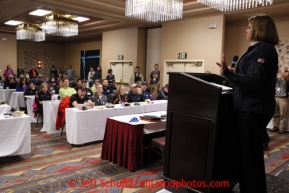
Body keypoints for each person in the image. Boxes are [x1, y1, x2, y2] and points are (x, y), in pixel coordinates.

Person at [216, 14, 279, 193]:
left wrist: (228, 73)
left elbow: (253, 82)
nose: (246, 30)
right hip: (251, 108)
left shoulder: (263, 50)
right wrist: (236, 74)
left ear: (259, 29)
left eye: (249, 27)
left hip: (253, 110)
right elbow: (252, 78)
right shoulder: (259, 49)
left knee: (250, 158)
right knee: (248, 156)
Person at [270, 69, 289, 134]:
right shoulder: (278, 80)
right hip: (276, 97)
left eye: (287, 73)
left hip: (283, 98)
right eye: (285, 72)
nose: (286, 74)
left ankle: (282, 128)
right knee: (275, 113)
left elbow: (285, 77)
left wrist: (278, 69)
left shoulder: (287, 80)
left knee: (283, 114)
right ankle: (275, 126)